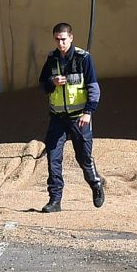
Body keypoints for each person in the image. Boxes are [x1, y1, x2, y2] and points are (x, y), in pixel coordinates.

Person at [38, 22, 105, 212]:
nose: (60, 43)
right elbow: (42, 85)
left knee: (83, 157)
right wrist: (52, 82)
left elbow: (94, 88)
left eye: (64, 39)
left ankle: (95, 183)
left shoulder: (83, 58)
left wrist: (88, 112)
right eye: (57, 40)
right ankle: (55, 200)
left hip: (79, 118)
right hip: (57, 118)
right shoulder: (51, 59)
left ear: (71, 38)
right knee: (53, 157)